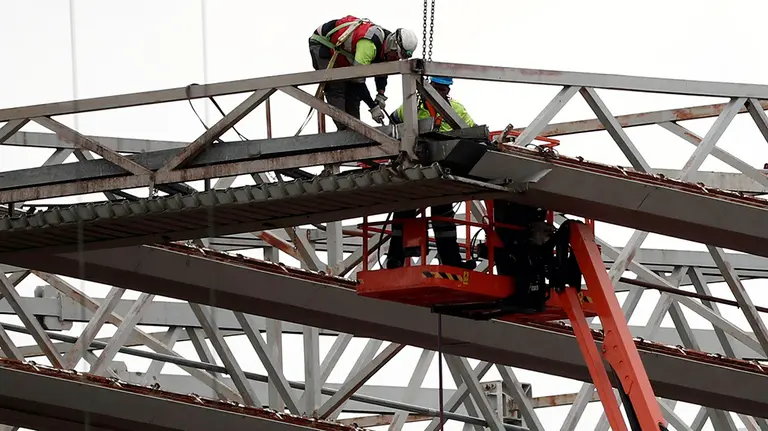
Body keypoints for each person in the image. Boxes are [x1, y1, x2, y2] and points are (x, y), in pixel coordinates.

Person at [386, 76, 476, 270]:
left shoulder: (456, 109)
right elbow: (393, 121)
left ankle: (452, 262)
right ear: (429, 87)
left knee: (444, 219)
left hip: (441, 171)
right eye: (438, 88)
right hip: (414, 168)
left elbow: (473, 133)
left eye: (444, 89)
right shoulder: (413, 107)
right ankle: (395, 259)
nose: (442, 92)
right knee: (404, 213)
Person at [309, 16, 419, 130]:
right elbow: (357, 80)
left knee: (353, 95)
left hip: (343, 54)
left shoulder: (386, 43)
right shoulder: (369, 45)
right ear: (393, 46)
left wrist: (380, 94)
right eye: (396, 55)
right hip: (323, 44)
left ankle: (354, 131)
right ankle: (344, 130)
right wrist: (372, 107)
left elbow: (382, 69)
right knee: (336, 87)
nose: (396, 59)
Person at [390, 76, 476, 130]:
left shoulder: (457, 109)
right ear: (429, 86)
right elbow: (394, 119)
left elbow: (473, 129)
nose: (437, 93)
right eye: (435, 88)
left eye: (442, 90)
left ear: (448, 91)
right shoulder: (413, 104)